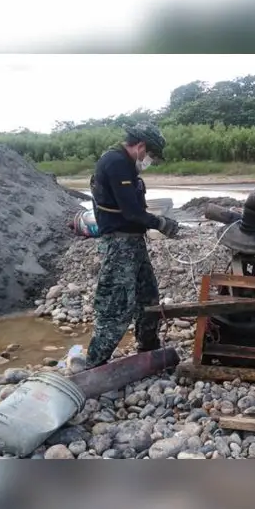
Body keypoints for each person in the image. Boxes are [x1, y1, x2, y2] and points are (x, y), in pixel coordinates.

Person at [71, 123, 181, 372]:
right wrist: (161, 223)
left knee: (148, 298)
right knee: (116, 304)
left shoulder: (126, 164)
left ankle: (148, 348)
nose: (149, 160)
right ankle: (95, 364)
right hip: (119, 245)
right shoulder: (115, 163)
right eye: (150, 154)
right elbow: (132, 212)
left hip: (133, 242)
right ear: (140, 146)